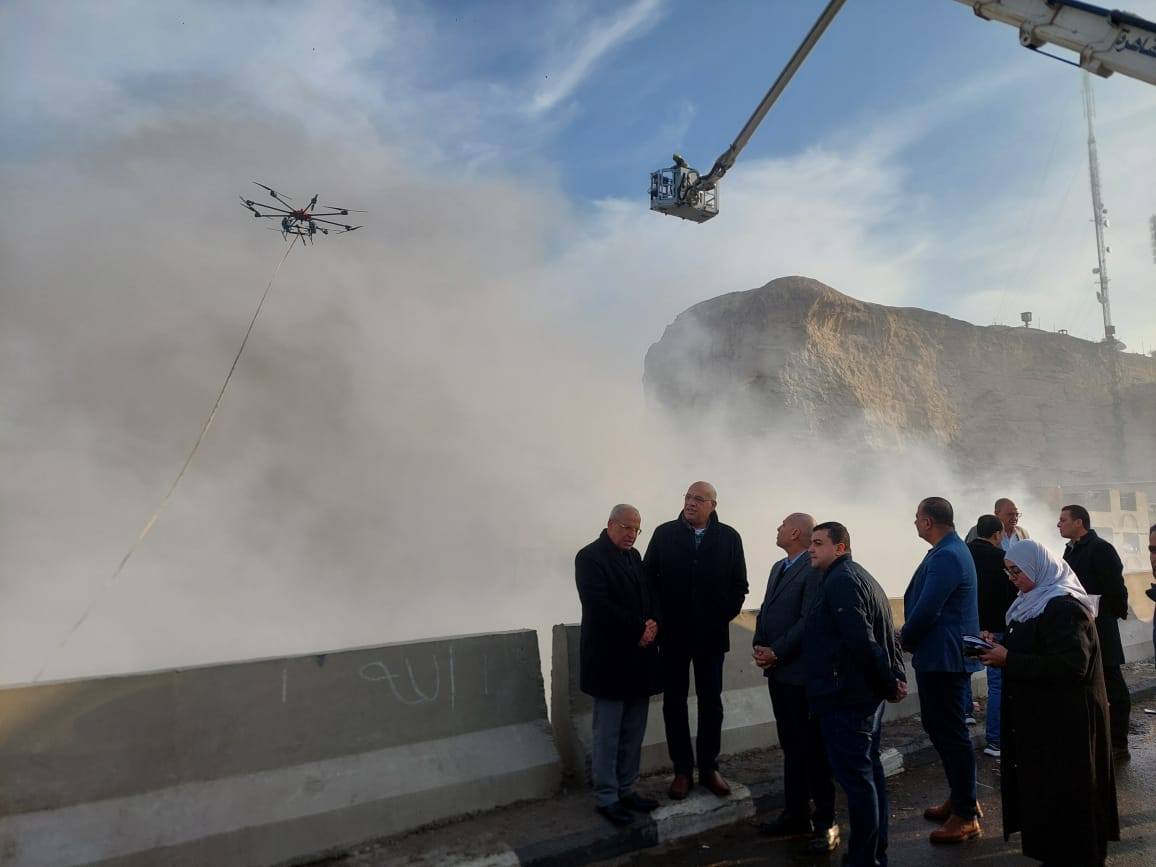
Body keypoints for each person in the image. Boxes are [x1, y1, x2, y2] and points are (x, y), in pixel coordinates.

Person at [978, 539, 1119, 866]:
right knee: (1047, 796)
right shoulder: (1030, 602)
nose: (1013, 578)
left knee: (1070, 798)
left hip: (1067, 725)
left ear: (1038, 566)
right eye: (1009, 572)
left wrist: (1009, 658)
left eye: (1017, 571)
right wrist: (995, 644)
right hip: (1043, 721)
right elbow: (1034, 644)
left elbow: (1072, 665)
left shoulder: (1064, 606)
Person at [804, 522, 906, 867]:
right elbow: (887, 634)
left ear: (840, 548)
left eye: (818, 543)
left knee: (859, 782)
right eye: (811, 542)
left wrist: (890, 682)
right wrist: (894, 677)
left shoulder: (842, 581)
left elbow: (863, 641)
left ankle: (865, 858)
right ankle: (874, 852)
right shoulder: (859, 576)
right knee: (868, 775)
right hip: (860, 695)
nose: (811, 549)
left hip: (846, 698)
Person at [644, 481, 748, 800]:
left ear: (712, 505)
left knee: (711, 702)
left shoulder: (729, 537)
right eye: (688, 497)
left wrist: (720, 615)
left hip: (711, 636)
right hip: (672, 636)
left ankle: (709, 768)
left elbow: (739, 585)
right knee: (674, 703)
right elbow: (648, 580)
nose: (690, 503)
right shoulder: (664, 534)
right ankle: (682, 771)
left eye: (698, 499)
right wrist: (658, 619)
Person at [752, 513, 838, 854]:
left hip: (800, 675)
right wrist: (760, 644)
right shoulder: (779, 567)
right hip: (778, 673)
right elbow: (766, 610)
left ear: (795, 532)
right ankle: (795, 813)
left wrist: (777, 651)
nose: (777, 529)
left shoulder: (812, 568)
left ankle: (826, 820)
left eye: (781, 525)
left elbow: (808, 620)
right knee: (791, 745)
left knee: (812, 749)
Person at [901, 497, 981, 844]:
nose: (915, 523)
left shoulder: (947, 554)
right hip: (943, 655)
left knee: (950, 732)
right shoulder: (949, 549)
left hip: (944, 658)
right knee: (942, 728)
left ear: (928, 521)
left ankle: (965, 815)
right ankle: (961, 796)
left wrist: (904, 638)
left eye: (917, 517)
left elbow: (928, 608)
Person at [575, 504, 662, 825]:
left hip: (640, 659)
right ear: (610, 524)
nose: (632, 535)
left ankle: (627, 788)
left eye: (637, 529)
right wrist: (638, 629)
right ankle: (607, 796)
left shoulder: (633, 557)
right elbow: (598, 606)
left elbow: (649, 595)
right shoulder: (589, 557)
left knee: (633, 730)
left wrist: (653, 624)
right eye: (626, 527)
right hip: (609, 659)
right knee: (608, 733)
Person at [1059, 504, 1131, 761]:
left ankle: (1119, 741)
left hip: (1101, 625)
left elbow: (1116, 589)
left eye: (1063, 520)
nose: (1059, 524)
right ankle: (1094, 738)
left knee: (1111, 680)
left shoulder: (1100, 549)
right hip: (1079, 626)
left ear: (1079, 522)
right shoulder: (1070, 550)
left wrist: (1103, 611)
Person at [967, 514, 1018, 759]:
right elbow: (1013, 593)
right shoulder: (1002, 559)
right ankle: (995, 741)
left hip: (968, 626)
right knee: (997, 684)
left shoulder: (963, 555)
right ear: (997, 534)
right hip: (997, 628)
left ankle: (965, 714)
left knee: (962, 673)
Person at [966, 498, 1030, 550]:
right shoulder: (979, 530)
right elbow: (969, 553)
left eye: (1017, 514)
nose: (1015, 518)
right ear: (996, 513)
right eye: (1010, 514)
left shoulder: (1023, 533)